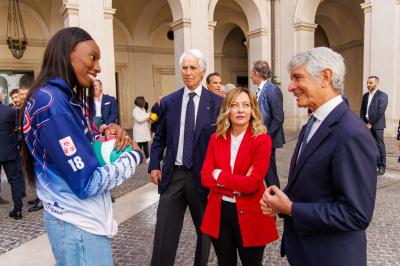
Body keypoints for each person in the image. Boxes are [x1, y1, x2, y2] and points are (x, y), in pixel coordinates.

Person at [21, 27, 144, 265]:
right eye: (92, 57)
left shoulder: (63, 99)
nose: (98, 67)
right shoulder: (52, 103)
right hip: (77, 224)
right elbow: (87, 182)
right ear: (68, 54)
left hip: (76, 221)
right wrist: (134, 157)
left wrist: (104, 136)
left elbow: (77, 149)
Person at [260, 47, 378, 266]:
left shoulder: (352, 133)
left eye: (298, 77)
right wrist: (281, 203)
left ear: (326, 77)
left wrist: (291, 208)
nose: (290, 86)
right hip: (306, 254)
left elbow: (356, 214)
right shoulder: (311, 125)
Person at [149, 49, 223, 266]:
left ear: (202, 71)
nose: (188, 72)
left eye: (193, 68)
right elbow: (159, 137)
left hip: (202, 177)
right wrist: (154, 164)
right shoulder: (169, 102)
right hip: (174, 176)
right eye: (184, 68)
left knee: (205, 232)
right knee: (164, 232)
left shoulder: (217, 103)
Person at [201, 87, 278, 265]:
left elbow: (252, 184)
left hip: (251, 214)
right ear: (227, 110)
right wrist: (238, 181)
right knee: (225, 262)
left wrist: (219, 174)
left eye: (246, 105)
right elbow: (205, 177)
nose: (241, 110)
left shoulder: (262, 140)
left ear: (252, 109)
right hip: (219, 213)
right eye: (235, 105)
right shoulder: (216, 138)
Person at [251, 60, 285, 187]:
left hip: (267, 139)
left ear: (257, 73)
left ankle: (274, 196)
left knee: (269, 170)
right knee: (264, 169)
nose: (250, 76)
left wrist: (266, 137)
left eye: (251, 73)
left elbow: (278, 118)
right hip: (260, 137)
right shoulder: (261, 90)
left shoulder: (272, 90)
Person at [0, 95, 24, 219]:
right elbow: (15, 128)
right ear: (0, 97)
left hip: (8, 149)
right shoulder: (10, 111)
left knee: (14, 180)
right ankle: (18, 210)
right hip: (9, 149)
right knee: (15, 180)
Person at [360, 75, 388, 175]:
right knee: (368, 145)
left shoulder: (383, 95)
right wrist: (362, 123)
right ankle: (371, 164)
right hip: (366, 124)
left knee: (379, 145)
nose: (368, 84)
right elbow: (362, 111)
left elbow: (380, 111)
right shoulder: (365, 96)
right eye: (367, 83)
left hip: (377, 125)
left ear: (376, 83)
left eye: (370, 83)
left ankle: (381, 167)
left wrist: (371, 123)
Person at [133, 96, 152, 163]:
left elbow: (145, 118)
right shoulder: (135, 110)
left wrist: (149, 119)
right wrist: (148, 115)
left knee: (146, 145)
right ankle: (137, 159)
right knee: (139, 146)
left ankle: (147, 158)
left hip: (144, 131)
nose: (145, 102)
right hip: (139, 132)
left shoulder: (143, 109)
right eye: (143, 101)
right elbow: (139, 119)